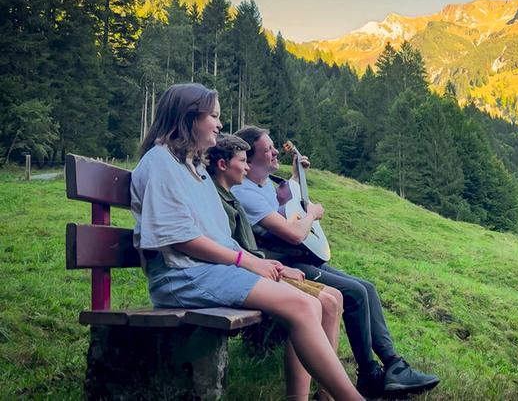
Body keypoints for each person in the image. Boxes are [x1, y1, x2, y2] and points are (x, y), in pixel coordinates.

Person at [130, 83, 362, 401]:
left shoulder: (192, 168)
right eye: (213, 116)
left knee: (309, 302)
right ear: (189, 118)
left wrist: (261, 262)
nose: (220, 124)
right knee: (302, 304)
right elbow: (181, 239)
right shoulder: (160, 163)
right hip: (181, 277)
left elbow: (219, 236)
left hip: (207, 271)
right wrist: (247, 261)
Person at [231, 126, 440, 398]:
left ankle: (393, 364)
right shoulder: (246, 192)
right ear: (250, 156)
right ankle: (368, 374)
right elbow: (294, 233)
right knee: (353, 293)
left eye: (273, 147)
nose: (273, 152)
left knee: (368, 288)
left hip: (298, 258)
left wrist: (296, 176)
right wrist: (313, 214)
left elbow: (288, 210)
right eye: (267, 148)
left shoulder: (266, 186)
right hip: (281, 262)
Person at [205, 133, 345, 400]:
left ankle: (326, 394)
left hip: (257, 265)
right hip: (242, 272)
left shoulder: (231, 195)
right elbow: (235, 250)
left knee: (334, 297)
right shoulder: (228, 197)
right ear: (223, 164)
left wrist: (275, 265)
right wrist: (275, 266)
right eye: (243, 161)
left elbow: (243, 246)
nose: (246, 168)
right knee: (316, 304)